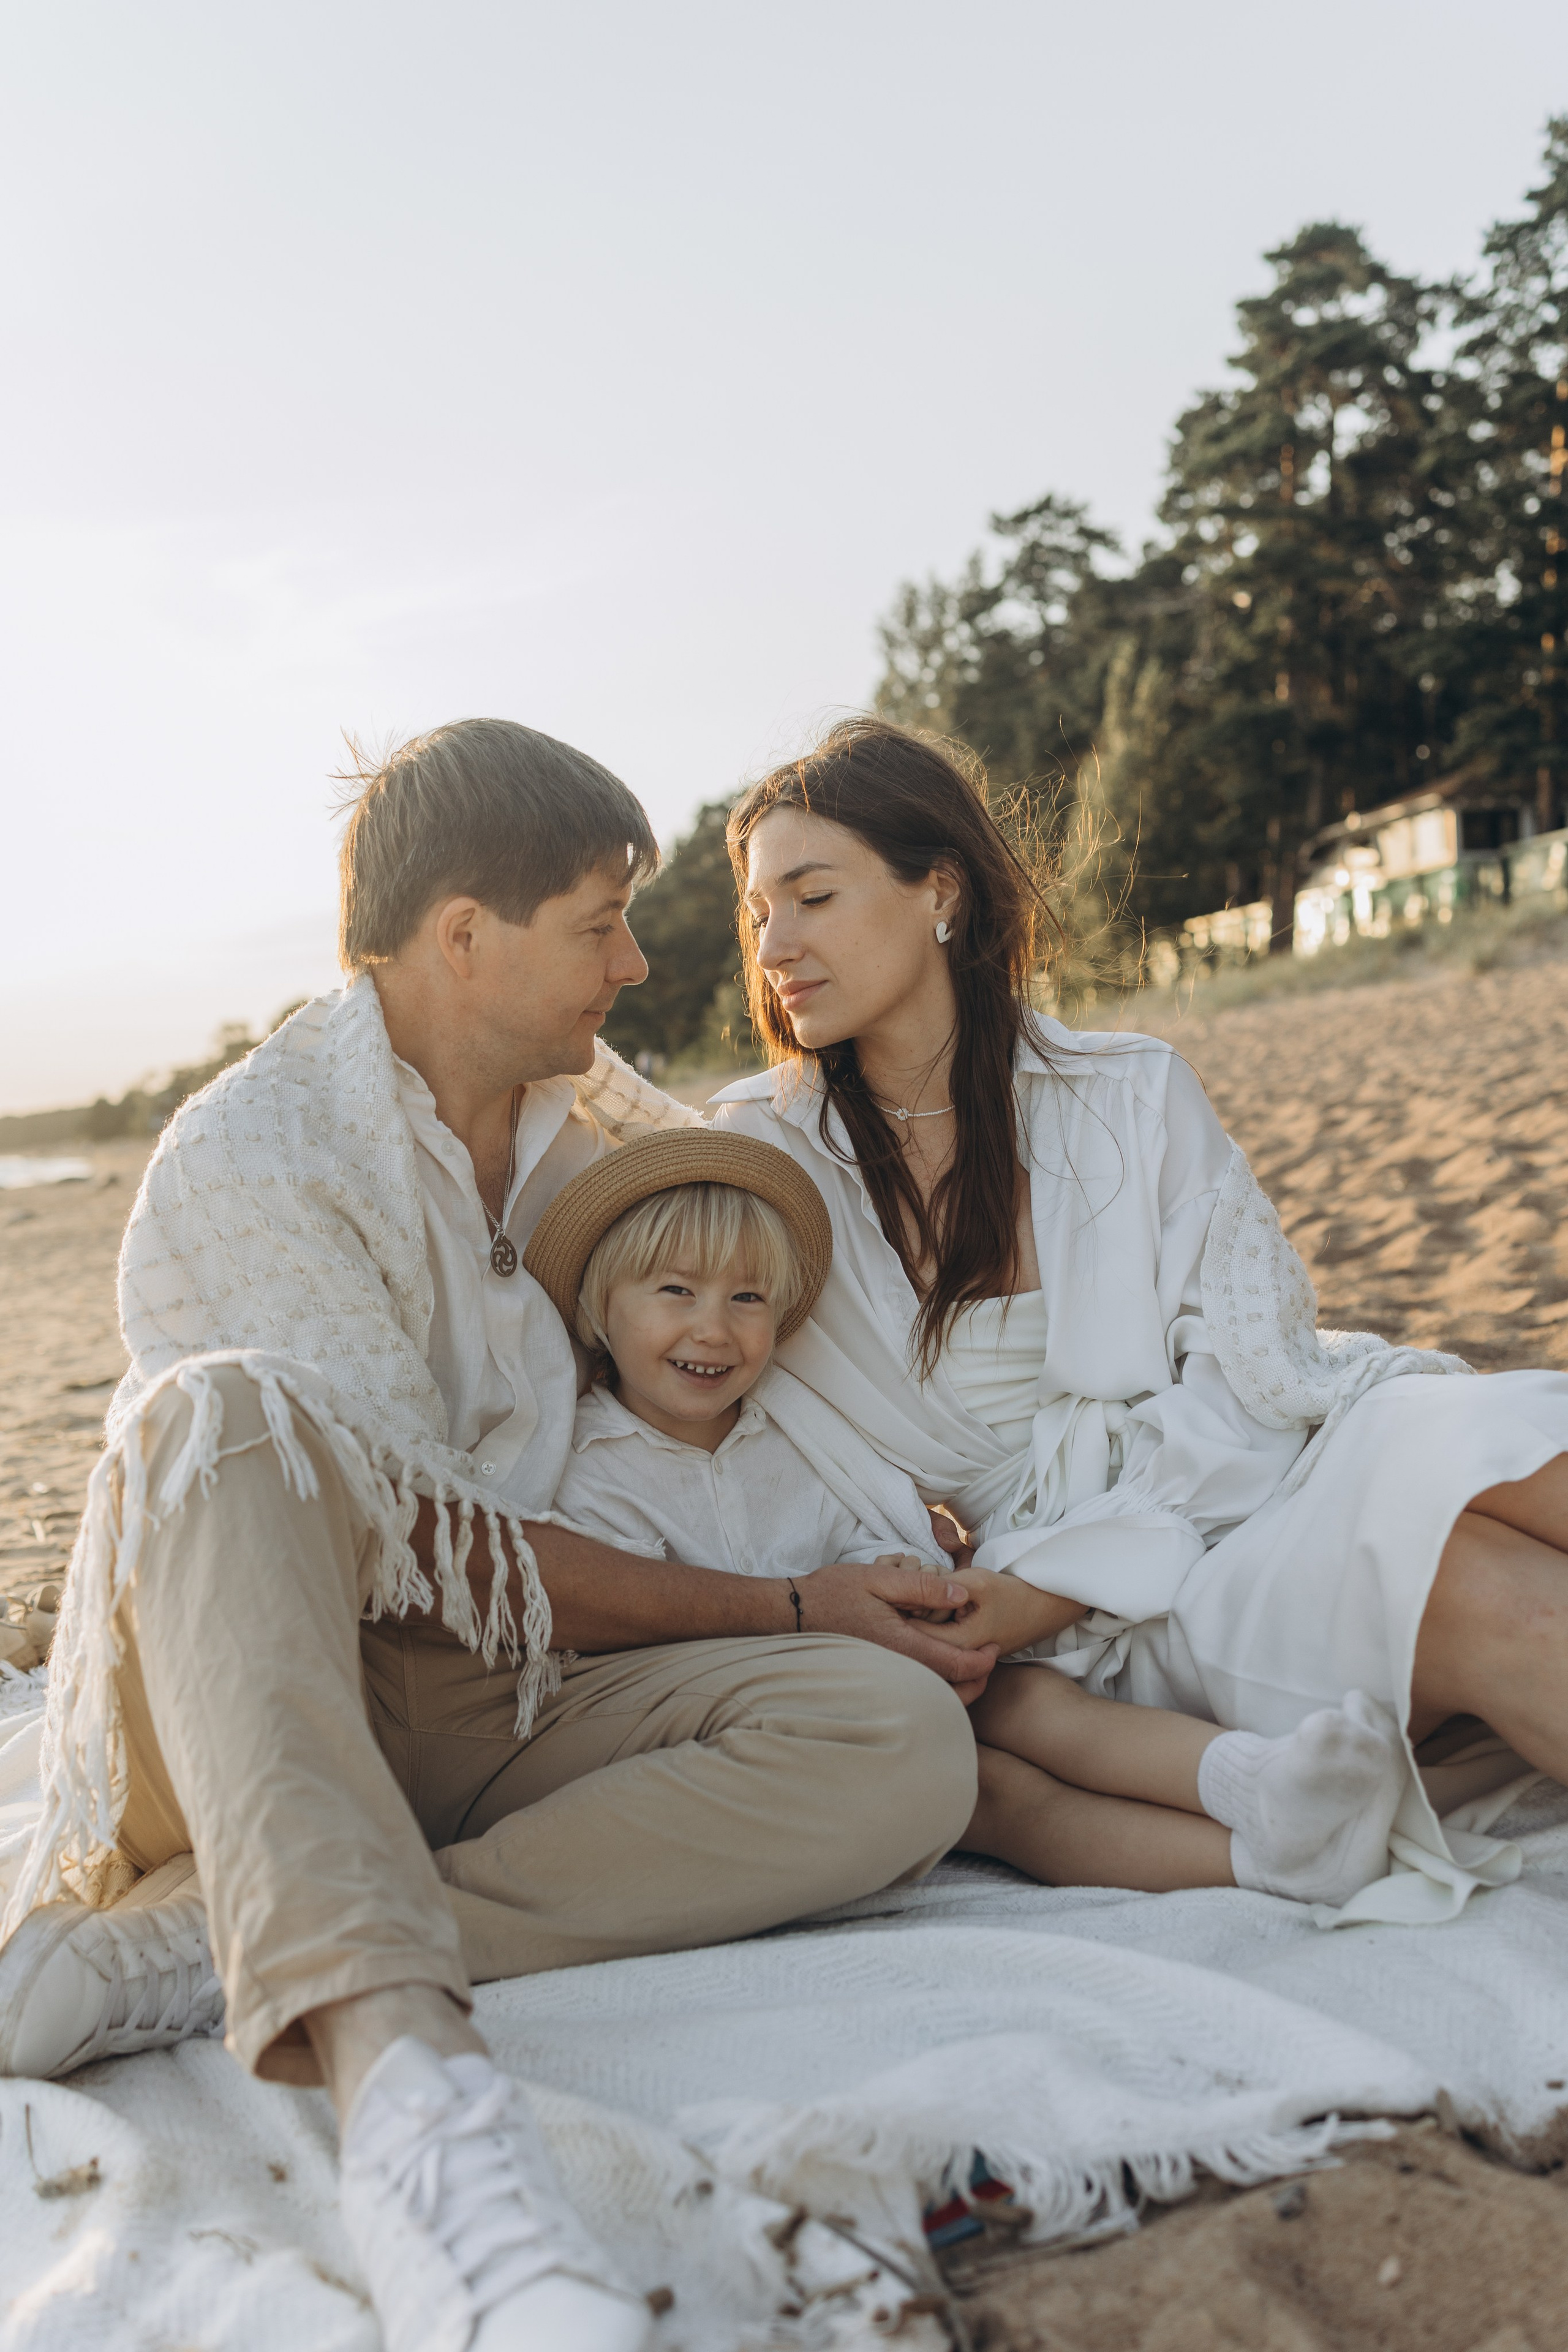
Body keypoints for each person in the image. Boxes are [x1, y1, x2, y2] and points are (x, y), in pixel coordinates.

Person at [0, 720, 989, 2352]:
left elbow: (760, 1269)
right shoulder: (256, 1152)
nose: (637, 955)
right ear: (465, 936)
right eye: (600, 920)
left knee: (901, 1742)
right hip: (270, 1679)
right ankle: (416, 2107)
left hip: (509, 1696)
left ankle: (231, 1935)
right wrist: (789, 1593)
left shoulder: (581, 1119)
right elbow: (435, 1546)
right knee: (223, 1415)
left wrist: (908, 1502)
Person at [712, 715, 1568, 1925]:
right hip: (1111, 1611)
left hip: (1263, 1457)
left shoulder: (1124, 1089)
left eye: (809, 895)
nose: (774, 942)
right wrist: (1040, 1594)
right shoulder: (758, 1156)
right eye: (757, 912)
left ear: (936, 890)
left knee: (1516, 1446)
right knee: (1476, 1592)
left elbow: (1245, 1383)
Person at [526, 1125, 1407, 1905]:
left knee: (1026, 1697)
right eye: (675, 1293)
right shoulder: (593, 1473)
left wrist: (899, 1569)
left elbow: (863, 1523)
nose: (714, 1331)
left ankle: (1260, 1791)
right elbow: (646, 1644)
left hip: (876, 1680)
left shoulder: (791, 1431)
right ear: (603, 1307)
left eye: (747, 1299)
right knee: (997, 1798)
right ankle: (1258, 1862)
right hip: (761, 1728)